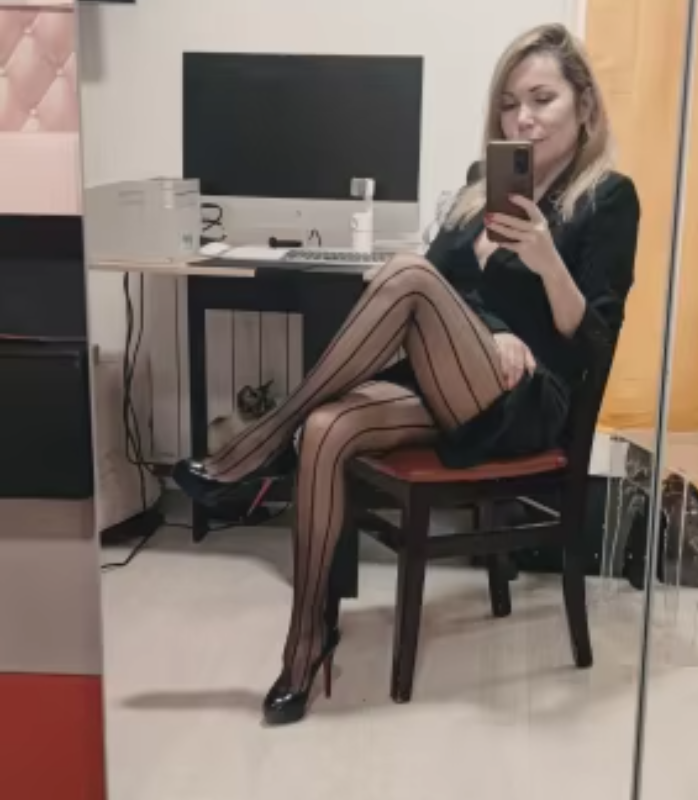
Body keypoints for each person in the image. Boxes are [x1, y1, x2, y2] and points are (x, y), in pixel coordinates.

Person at [174, 22, 640, 725]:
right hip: (454, 380)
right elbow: (451, 291)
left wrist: (547, 262)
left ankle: (261, 442)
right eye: (509, 103)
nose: (523, 117)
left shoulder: (607, 198)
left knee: (408, 276)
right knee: (328, 427)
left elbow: (595, 341)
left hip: (529, 400)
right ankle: (305, 646)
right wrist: (492, 330)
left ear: (585, 105)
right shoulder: (483, 187)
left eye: (542, 99)